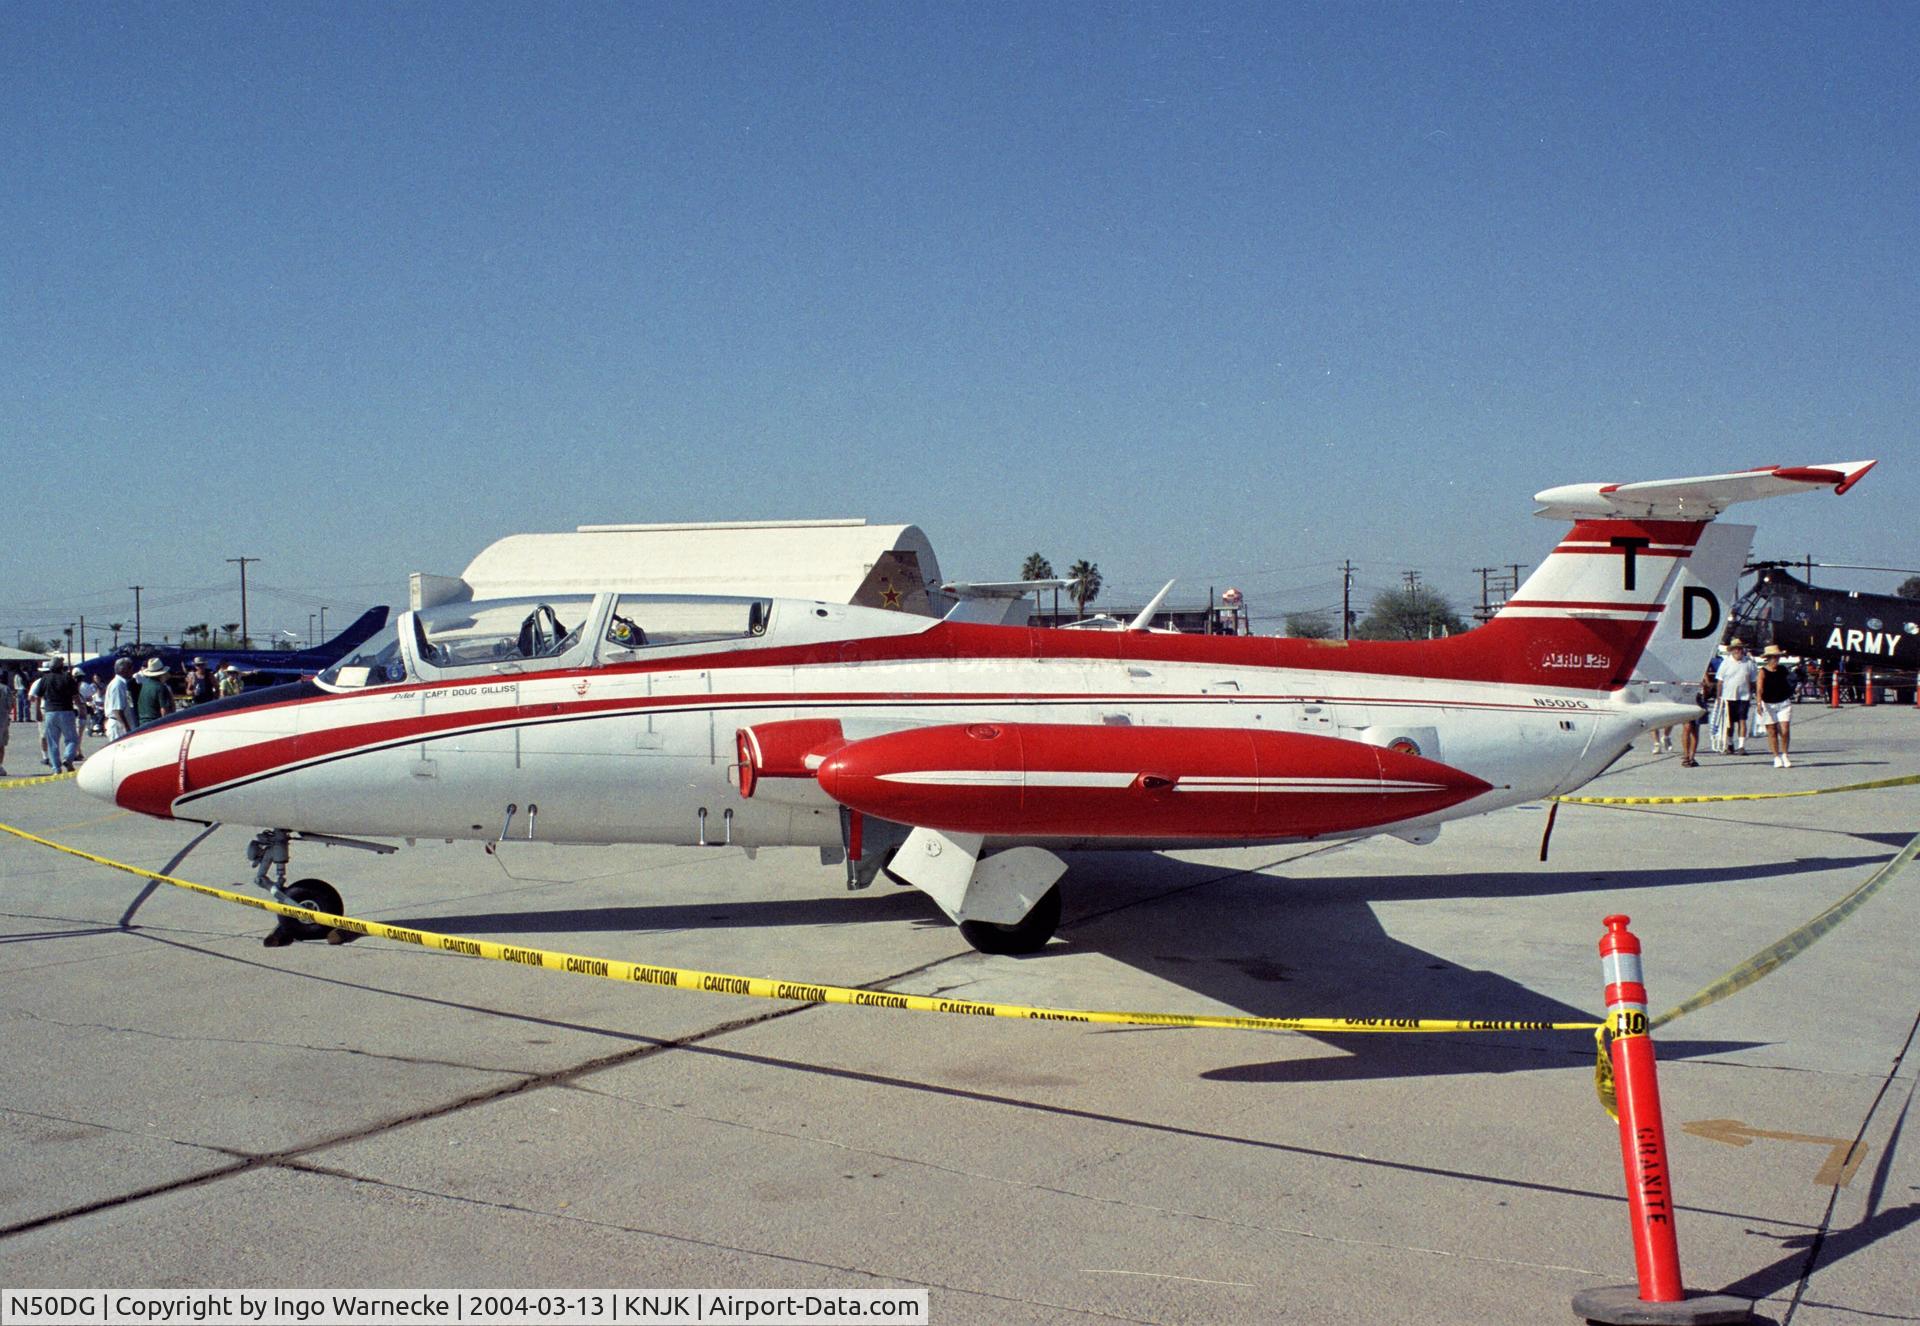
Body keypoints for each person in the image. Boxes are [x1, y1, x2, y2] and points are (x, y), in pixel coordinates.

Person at [38, 657, 81, 773]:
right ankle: (68, 758)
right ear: (61, 666)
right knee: (72, 739)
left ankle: (56, 768)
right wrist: (81, 708)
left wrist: (38, 711)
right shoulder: (67, 678)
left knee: (52, 741)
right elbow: (75, 696)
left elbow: (38, 696)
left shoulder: (45, 679)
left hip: (50, 712)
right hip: (66, 711)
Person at [1716, 638, 1758, 755]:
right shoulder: (1725, 663)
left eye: (1740, 649)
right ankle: (1729, 744)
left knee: (1742, 720)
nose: (1738, 651)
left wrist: (1754, 695)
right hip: (1728, 697)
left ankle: (1741, 746)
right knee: (1728, 723)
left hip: (1743, 697)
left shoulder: (1749, 663)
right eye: (1735, 649)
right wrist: (1718, 698)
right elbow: (1720, 681)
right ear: (1732, 650)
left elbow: (1753, 681)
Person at [1758, 645, 1797, 768]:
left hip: (1783, 702)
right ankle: (1776, 756)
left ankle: (1785, 754)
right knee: (1772, 731)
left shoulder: (1783, 669)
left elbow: (1791, 681)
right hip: (1768, 703)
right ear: (1768, 659)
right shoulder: (1762, 671)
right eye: (1773, 658)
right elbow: (1759, 689)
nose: (1776, 660)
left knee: (1785, 730)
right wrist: (1759, 703)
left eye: (1777, 658)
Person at [1680, 659, 1714, 767]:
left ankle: (1692, 757)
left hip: (1699, 699)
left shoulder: (1702, 671)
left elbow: (1708, 686)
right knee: (1687, 727)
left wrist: (1705, 685)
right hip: (1686, 698)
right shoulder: (1684, 670)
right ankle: (1686, 756)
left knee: (1695, 729)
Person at [134, 658, 175, 728]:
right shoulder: (161, 687)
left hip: (142, 725)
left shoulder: (144, 685)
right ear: (161, 674)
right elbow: (164, 711)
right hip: (155, 724)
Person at [105, 658, 138, 742]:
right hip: (119, 725)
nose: (132, 671)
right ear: (123, 669)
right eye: (130, 668)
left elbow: (129, 704)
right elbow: (117, 710)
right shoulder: (117, 685)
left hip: (125, 723)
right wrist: (126, 728)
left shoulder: (125, 684)